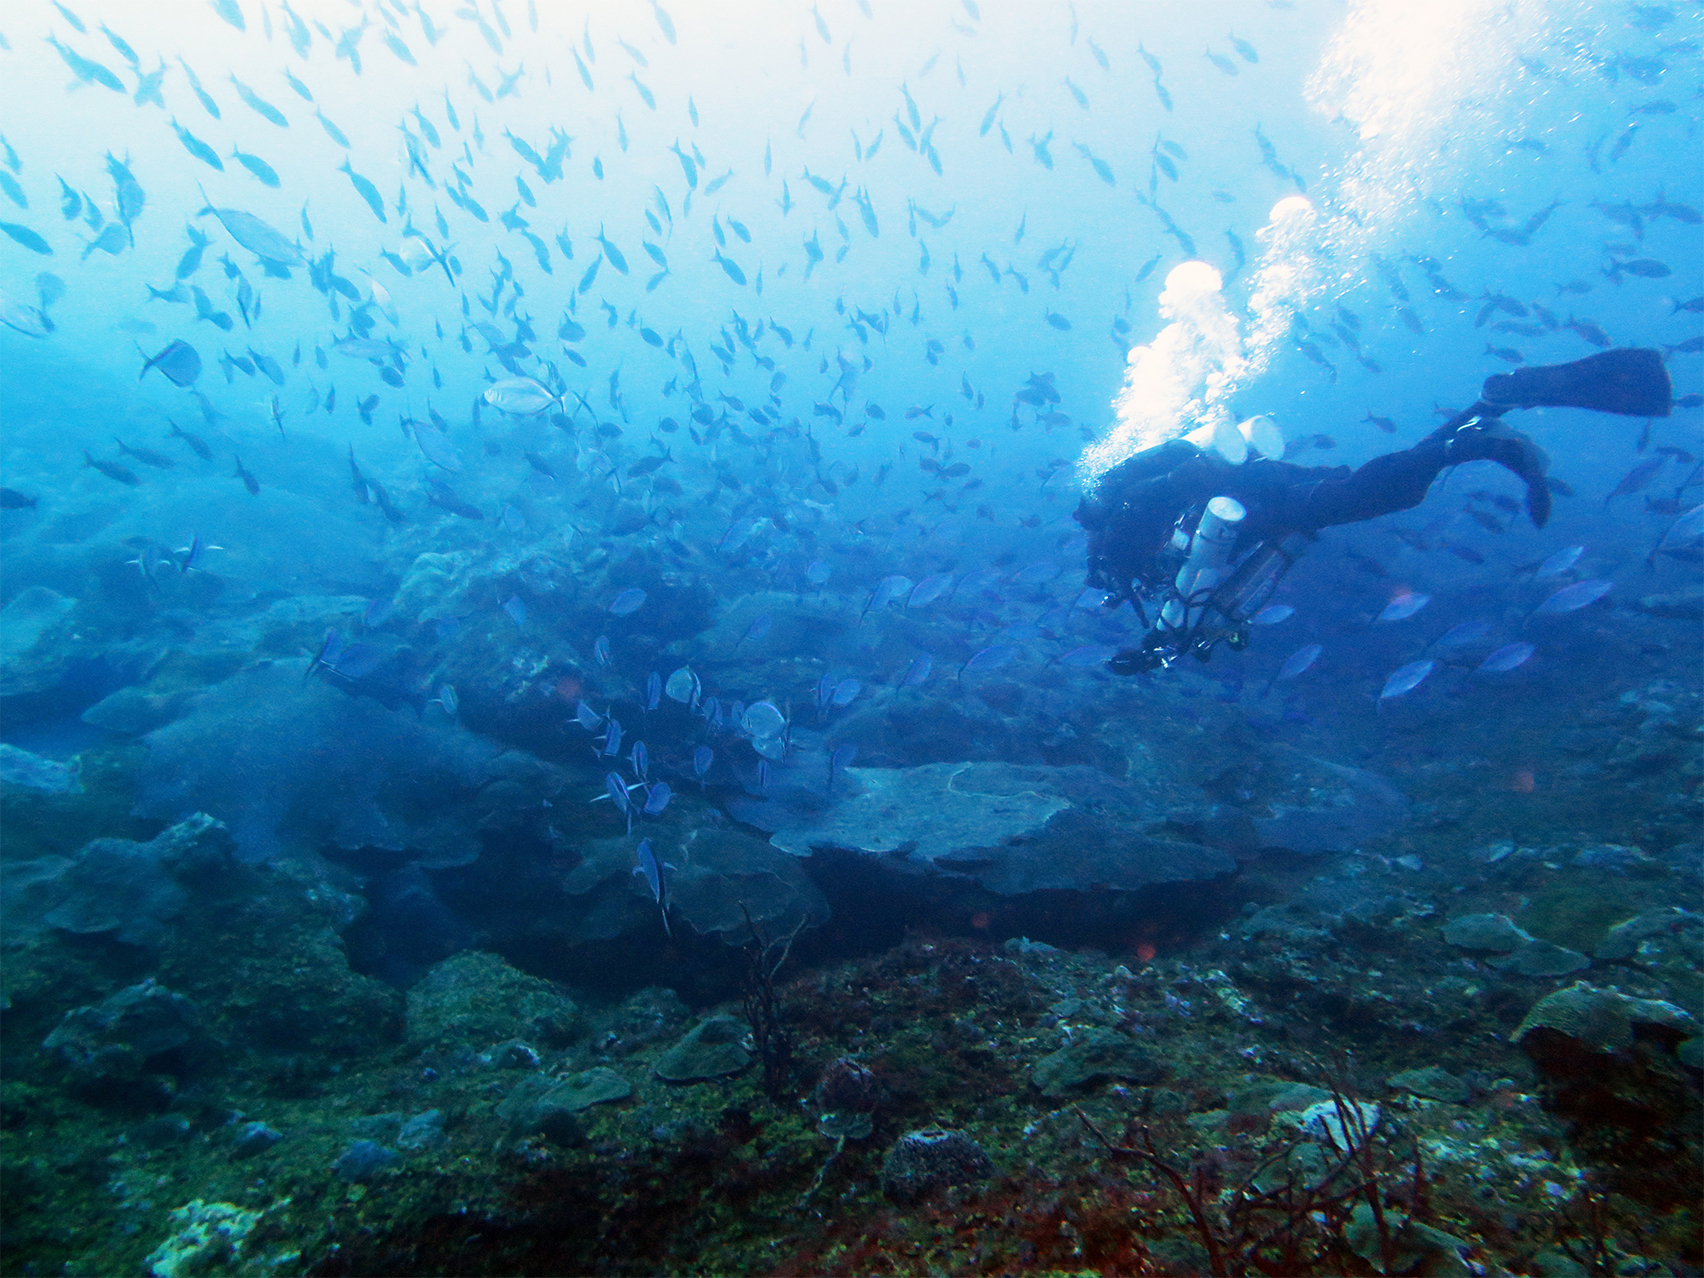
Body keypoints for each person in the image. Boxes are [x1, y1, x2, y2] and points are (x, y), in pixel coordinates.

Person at [1074, 349, 1674, 673]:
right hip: (1266, 481)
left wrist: (1152, 650)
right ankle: (1484, 410)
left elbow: (1185, 609)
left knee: (1369, 494)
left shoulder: (1118, 543)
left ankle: (1477, 440)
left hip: (1259, 500)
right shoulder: (1131, 510)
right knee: (1370, 488)